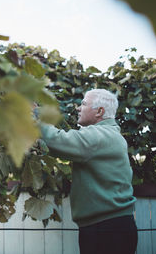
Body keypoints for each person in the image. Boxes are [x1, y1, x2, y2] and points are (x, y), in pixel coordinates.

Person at [38, 89, 137, 254]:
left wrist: (33, 117)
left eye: (83, 104)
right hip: (109, 227)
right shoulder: (109, 134)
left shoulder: (101, 136)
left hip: (108, 230)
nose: (78, 108)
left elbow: (56, 140)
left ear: (100, 111)